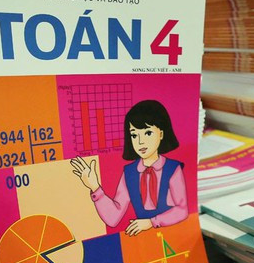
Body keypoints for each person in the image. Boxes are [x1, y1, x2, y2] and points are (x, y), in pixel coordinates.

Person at [71, 100, 188, 236]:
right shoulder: (129, 173)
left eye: (148, 133)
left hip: (174, 237)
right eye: (134, 135)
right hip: (143, 241)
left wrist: (151, 222)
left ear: (161, 134)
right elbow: (113, 218)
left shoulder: (173, 169)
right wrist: (95, 187)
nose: (140, 142)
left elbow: (182, 210)